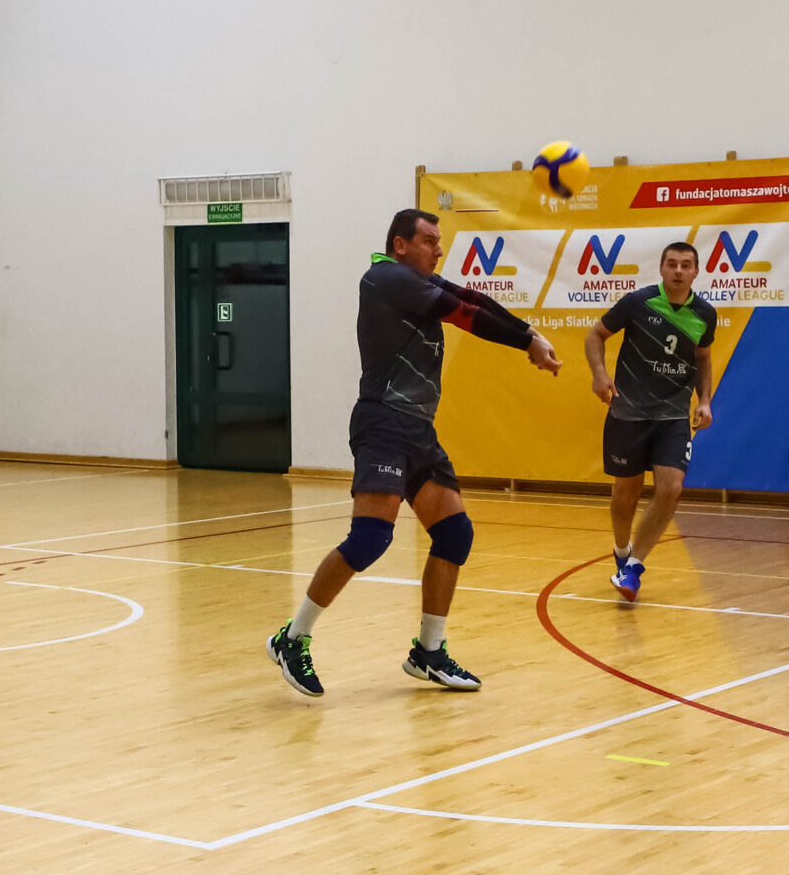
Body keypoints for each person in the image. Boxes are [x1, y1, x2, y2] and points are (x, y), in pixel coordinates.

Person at [266, 208, 561, 697]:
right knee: (369, 539)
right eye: (429, 241)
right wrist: (523, 343)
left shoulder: (418, 280)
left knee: (454, 533)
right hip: (384, 422)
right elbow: (465, 315)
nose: (438, 249)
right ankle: (291, 639)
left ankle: (428, 651)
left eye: (439, 241)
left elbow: (473, 298)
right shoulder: (385, 277)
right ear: (400, 245)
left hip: (418, 428)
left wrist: (530, 333)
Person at [588, 240, 716, 602]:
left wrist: (705, 401)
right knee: (625, 494)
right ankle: (621, 550)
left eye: (686, 265)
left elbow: (703, 358)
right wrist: (599, 374)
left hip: (673, 416)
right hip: (628, 413)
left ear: (696, 271)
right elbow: (595, 335)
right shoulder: (637, 303)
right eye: (672, 264)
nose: (678, 271)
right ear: (661, 268)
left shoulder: (705, 314)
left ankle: (633, 568)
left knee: (671, 488)